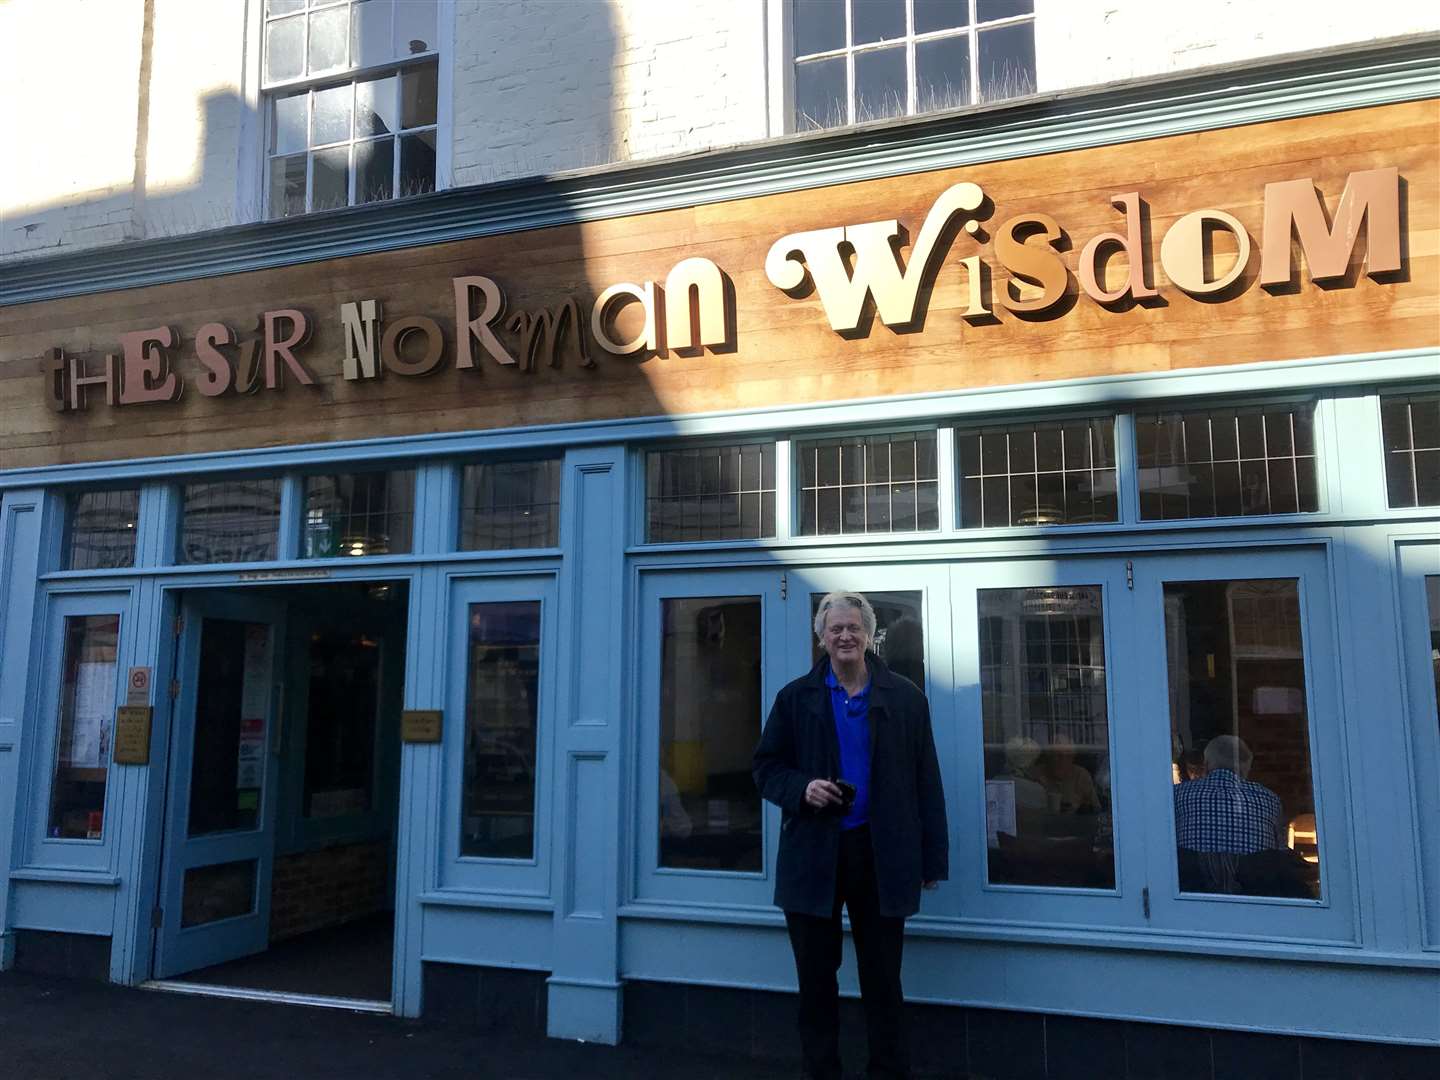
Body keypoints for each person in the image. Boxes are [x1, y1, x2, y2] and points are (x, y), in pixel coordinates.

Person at [753, 592, 948, 1080]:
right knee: (816, 983)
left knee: (883, 981)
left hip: (879, 853)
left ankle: (888, 1072)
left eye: (853, 628)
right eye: (835, 628)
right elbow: (765, 767)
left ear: (869, 635)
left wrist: (932, 861)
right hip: (814, 853)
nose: (844, 636)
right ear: (821, 637)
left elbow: (928, 780)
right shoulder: (795, 698)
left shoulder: (906, 698)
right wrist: (803, 789)